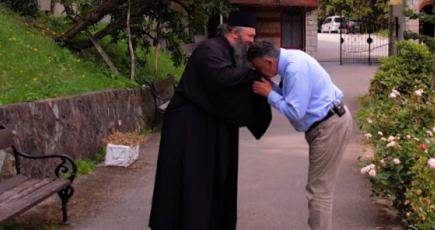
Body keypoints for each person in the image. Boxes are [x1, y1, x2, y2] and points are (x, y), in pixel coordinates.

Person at [149, 12, 272, 230]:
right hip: (187, 126)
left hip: (207, 123)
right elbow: (223, 78)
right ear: (235, 33)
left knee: (211, 177)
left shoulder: (229, 52)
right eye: (250, 36)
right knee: (191, 177)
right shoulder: (210, 49)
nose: (252, 41)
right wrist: (255, 78)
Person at [248, 40, 353, 230]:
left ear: (270, 62)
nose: (258, 73)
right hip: (327, 124)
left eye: (258, 68)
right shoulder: (291, 60)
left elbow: (296, 111)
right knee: (320, 190)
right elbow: (297, 94)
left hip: (330, 126)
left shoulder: (295, 69)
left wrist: (270, 94)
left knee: (319, 192)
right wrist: (276, 89)